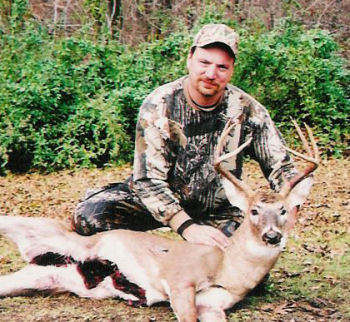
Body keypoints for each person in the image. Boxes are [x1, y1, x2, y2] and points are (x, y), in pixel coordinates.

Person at [72, 24, 300, 250]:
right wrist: (187, 226)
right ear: (190, 59)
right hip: (157, 200)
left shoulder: (248, 109)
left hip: (219, 209)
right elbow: (147, 180)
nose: (211, 74)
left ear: (232, 70)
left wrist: (289, 208)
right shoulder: (159, 104)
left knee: (245, 275)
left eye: (222, 67)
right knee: (90, 217)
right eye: (204, 62)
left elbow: (282, 168)